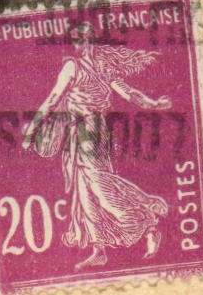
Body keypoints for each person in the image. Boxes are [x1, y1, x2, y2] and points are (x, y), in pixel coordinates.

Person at [22, 22, 171, 270]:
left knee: (100, 185)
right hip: (83, 130)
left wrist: (32, 131)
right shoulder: (94, 66)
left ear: (90, 40)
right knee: (84, 191)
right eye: (74, 40)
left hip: (89, 129)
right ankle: (99, 248)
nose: (76, 45)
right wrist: (153, 104)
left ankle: (147, 219)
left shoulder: (79, 66)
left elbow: (53, 99)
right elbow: (128, 93)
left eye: (80, 40)